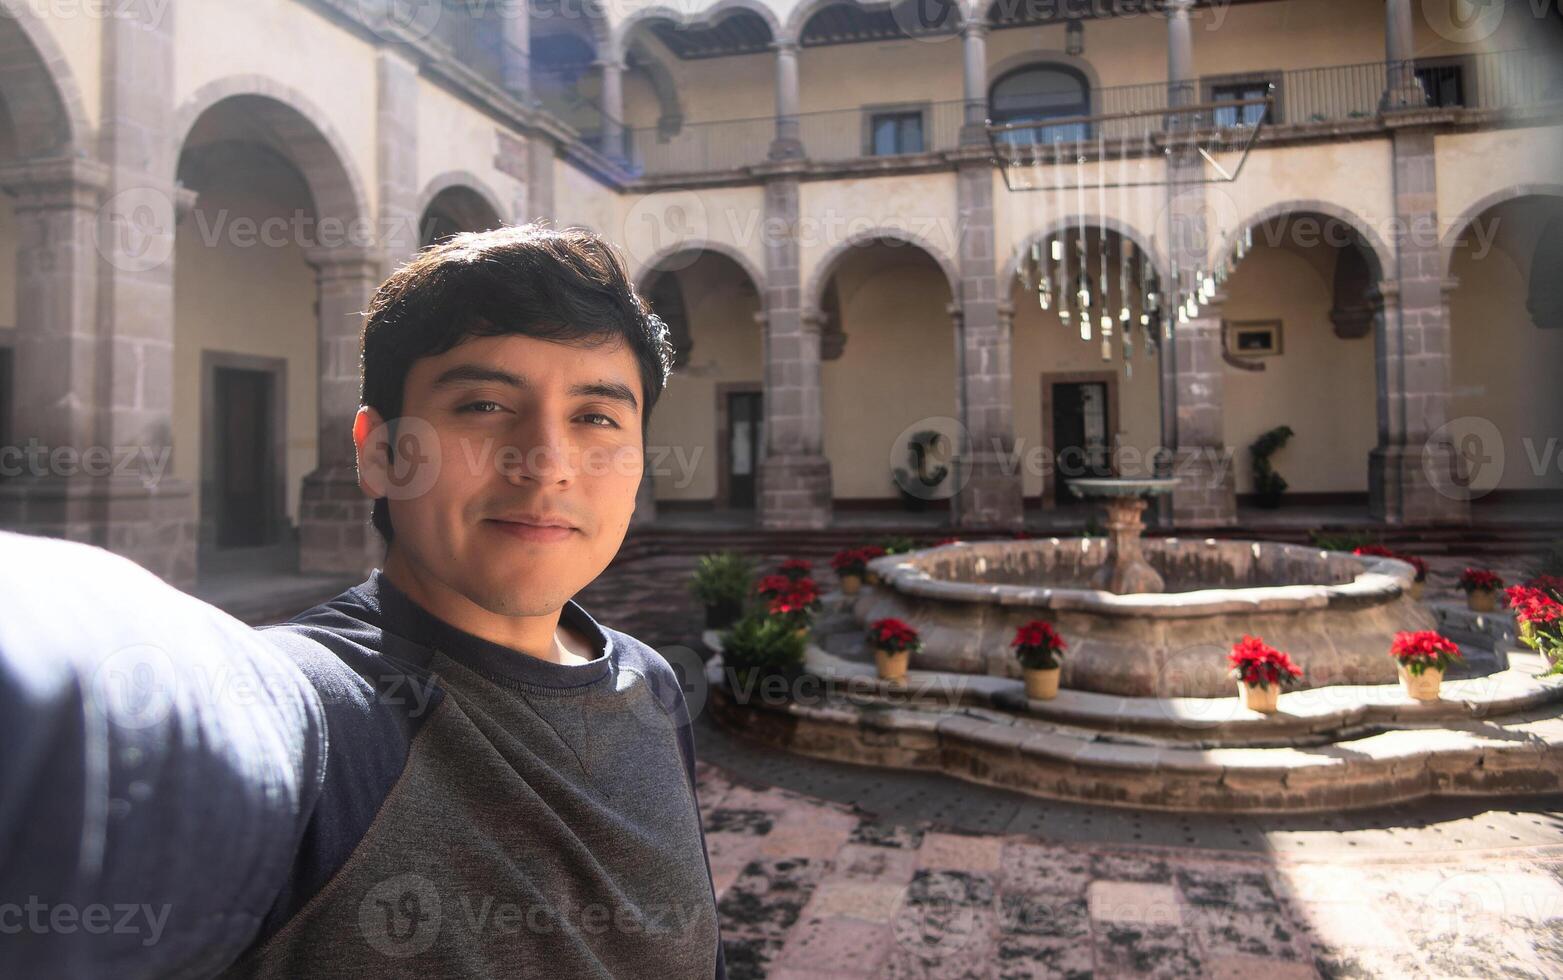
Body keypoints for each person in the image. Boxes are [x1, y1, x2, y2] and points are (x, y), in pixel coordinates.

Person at [0, 225, 728, 979]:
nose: (545, 463)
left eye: (596, 416)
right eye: (482, 405)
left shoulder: (650, 682)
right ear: (379, 453)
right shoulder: (325, 713)